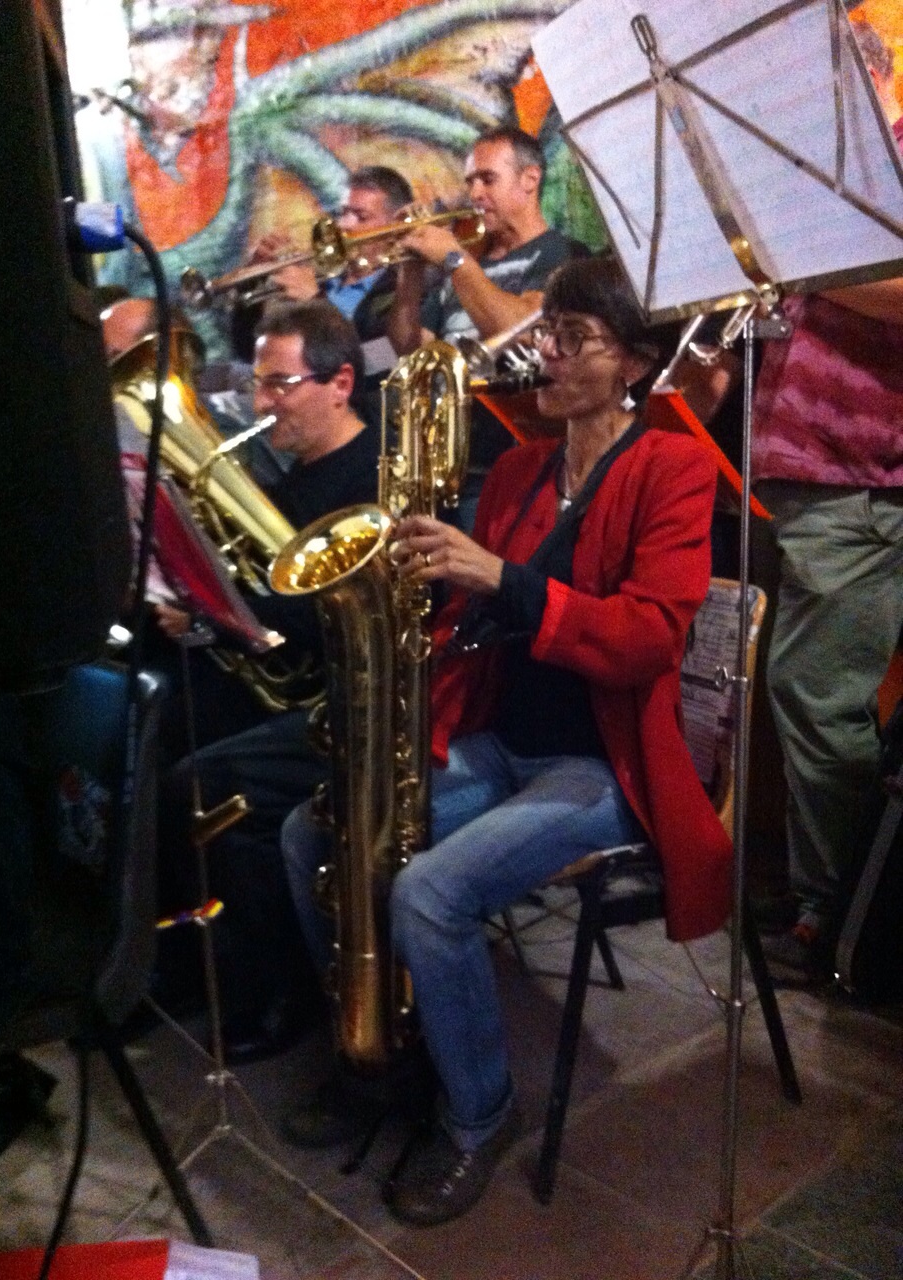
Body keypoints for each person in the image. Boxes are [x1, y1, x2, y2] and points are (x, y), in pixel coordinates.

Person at [280, 256, 732, 1226]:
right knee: (311, 831)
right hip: (498, 738)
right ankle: (377, 1052)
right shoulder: (523, 469)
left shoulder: (672, 466)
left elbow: (648, 636)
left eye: (575, 337)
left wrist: (499, 578)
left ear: (633, 362)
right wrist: (417, 587)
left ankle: (478, 1114)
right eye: (547, 331)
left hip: (602, 762)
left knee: (430, 890)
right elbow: (477, 613)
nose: (547, 352)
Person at [156, 299, 382, 1063]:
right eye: (258, 384)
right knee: (155, 728)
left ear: (340, 383)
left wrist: (222, 613)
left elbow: (331, 614)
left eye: (279, 384)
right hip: (285, 677)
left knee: (207, 782)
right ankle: (187, 961)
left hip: (343, 695)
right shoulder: (293, 479)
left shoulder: (372, 475)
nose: (261, 404)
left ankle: (283, 988)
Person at [752, 273, 903, 981]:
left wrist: (801, 260)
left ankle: (842, 921)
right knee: (805, 696)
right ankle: (823, 896)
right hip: (818, 477)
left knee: (818, 698)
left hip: (857, 479)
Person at [386, 126, 587, 528]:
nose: (475, 193)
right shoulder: (468, 263)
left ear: (530, 179)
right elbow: (411, 347)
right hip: (442, 461)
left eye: (488, 179)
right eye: (470, 182)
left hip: (508, 462)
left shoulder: (561, 254)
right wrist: (409, 276)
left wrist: (455, 260)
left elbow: (523, 329)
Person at [249, 166, 414, 409]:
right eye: (343, 213)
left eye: (361, 217)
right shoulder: (321, 275)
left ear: (395, 227)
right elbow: (246, 347)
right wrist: (254, 277)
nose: (345, 225)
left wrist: (317, 301)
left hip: (350, 410)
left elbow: (377, 363)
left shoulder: (405, 289)